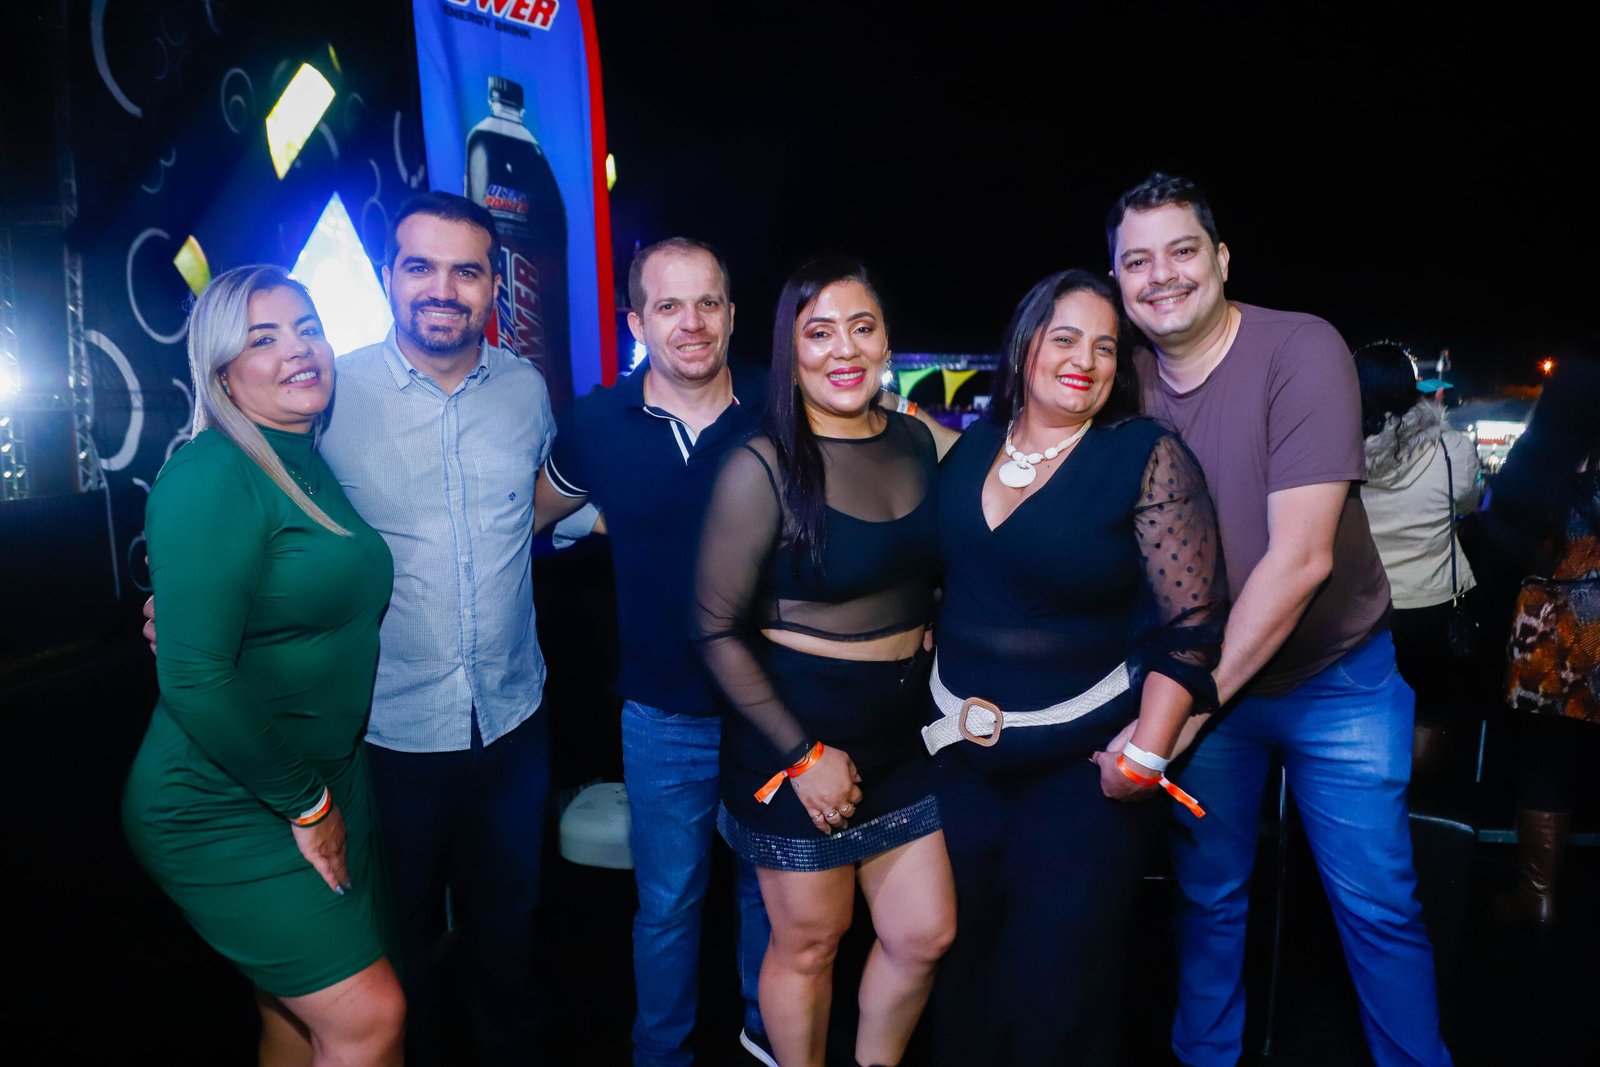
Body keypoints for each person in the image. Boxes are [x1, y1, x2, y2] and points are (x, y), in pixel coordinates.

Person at [1108, 172, 1452, 1067]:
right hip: (1203, 679)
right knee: (1207, 899)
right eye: (1137, 261)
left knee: (1377, 905)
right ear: (1117, 280)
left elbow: (1300, 560)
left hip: (1336, 677)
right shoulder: (1123, 377)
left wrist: (1187, 710)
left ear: (1222, 259)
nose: (1162, 275)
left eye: (1182, 250)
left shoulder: (1300, 347)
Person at [925, 269, 1225, 1066]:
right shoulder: (972, 449)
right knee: (960, 971)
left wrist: (1147, 754)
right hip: (960, 768)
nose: (1085, 361)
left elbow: (1192, 627)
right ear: (1025, 345)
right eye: (1065, 339)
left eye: (1104, 346)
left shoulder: (1146, 455)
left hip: (1081, 777)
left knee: (1059, 985)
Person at [123, 265, 404, 1065]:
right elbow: (195, 676)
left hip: (323, 776)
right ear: (222, 372)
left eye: (308, 328)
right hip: (225, 796)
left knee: (292, 1015)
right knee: (369, 1016)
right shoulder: (211, 474)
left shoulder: (302, 455)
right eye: (263, 338)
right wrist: (308, 805)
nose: (299, 349)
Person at [692, 257, 955, 1067]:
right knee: (811, 942)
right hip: (794, 737)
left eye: (862, 327)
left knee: (924, 932)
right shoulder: (762, 465)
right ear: (791, 350)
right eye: (819, 332)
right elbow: (712, 629)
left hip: (902, 737)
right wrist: (803, 756)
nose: (844, 348)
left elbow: (1013, 488)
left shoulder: (920, 439)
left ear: (886, 343)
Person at [315, 191, 556, 1064]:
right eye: (420, 266)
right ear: (389, 275)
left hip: (512, 721)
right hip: (389, 729)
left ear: (495, 286)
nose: (442, 289)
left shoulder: (526, 390)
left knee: (511, 933)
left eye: (466, 270)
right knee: (398, 945)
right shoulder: (331, 393)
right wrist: (190, 598)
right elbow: (260, 506)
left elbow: (540, 512)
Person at [533, 237, 775, 1066]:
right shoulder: (598, 423)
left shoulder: (780, 403)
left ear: (732, 314)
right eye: (668, 305)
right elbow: (530, 514)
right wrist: (598, 522)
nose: (692, 322)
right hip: (662, 712)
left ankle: (766, 1043)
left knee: (770, 897)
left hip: (774, 709)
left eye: (708, 302)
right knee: (668, 904)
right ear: (636, 322)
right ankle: (660, 1055)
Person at [1486, 345, 1600, 925]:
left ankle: (1538, 896)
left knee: (1549, 760)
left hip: (1550, 626)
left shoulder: (1539, 458)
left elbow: (1496, 529)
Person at [1354, 340, 1482, 770]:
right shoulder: (1451, 449)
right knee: (1426, 705)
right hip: (1430, 602)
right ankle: (1411, 785)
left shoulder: (1332, 449)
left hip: (1356, 606)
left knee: (1352, 704)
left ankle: (1362, 782)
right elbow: (1467, 502)